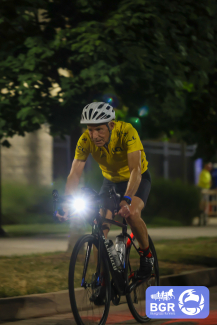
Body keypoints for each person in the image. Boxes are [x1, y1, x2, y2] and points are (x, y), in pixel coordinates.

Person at [57, 102, 153, 279]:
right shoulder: (85, 140)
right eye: (90, 129)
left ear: (111, 125)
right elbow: (75, 173)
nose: (94, 135)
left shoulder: (127, 132)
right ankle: (101, 280)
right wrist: (66, 203)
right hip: (111, 181)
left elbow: (135, 170)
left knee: (131, 214)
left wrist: (127, 198)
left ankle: (147, 256)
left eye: (99, 129)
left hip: (136, 179)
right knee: (99, 229)